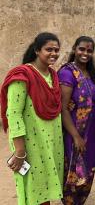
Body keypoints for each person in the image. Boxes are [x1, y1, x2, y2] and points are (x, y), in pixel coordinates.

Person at [1, 32, 63, 205]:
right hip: (29, 143)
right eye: (48, 49)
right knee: (32, 188)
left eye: (56, 50)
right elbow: (13, 114)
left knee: (44, 188)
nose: (53, 53)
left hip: (51, 142)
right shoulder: (22, 75)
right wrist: (20, 151)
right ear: (37, 50)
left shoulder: (53, 75)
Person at [58, 36, 95, 204]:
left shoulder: (93, 74)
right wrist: (76, 136)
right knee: (72, 176)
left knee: (88, 174)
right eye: (82, 49)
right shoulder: (67, 72)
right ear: (75, 49)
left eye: (89, 50)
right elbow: (62, 107)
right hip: (72, 133)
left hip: (91, 134)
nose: (85, 53)